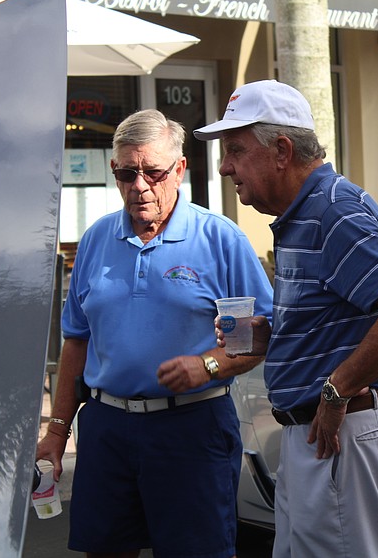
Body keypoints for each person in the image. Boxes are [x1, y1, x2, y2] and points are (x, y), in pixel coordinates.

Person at [194, 80, 378, 557]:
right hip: (322, 438)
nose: (224, 166)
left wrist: (336, 390)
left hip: (339, 438)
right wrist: (270, 336)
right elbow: (338, 317)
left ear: (281, 150)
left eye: (236, 150)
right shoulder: (305, 213)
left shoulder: (334, 211)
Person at [36, 109, 274, 558]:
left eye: (153, 172)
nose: (139, 186)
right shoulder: (95, 240)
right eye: (126, 173)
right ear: (114, 171)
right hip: (108, 428)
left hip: (191, 428)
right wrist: (57, 430)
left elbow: (254, 340)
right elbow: (77, 340)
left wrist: (206, 366)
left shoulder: (220, 240)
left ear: (180, 169)